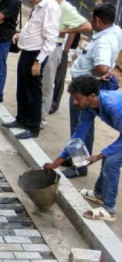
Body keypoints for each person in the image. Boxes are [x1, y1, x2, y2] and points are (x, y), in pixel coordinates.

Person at [44, 76, 122, 222]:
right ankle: (99, 194)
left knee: (111, 162)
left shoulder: (114, 107)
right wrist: (55, 164)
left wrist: (98, 156)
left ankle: (109, 210)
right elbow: (77, 137)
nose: (74, 102)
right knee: (109, 157)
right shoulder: (89, 108)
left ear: (92, 96)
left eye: (78, 98)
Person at [63, 3, 122, 178]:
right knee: (82, 125)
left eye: (92, 18)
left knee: (82, 127)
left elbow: (102, 68)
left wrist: (98, 73)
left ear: (97, 19)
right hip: (88, 84)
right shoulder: (115, 31)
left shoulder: (104, 41)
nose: (90, 21)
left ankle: (80, 165)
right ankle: (75, 158)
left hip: (86, 86)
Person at [2, 0, 60, 139]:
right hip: (27, 52)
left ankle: (33, 127)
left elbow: (50, 38)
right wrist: (20, 34)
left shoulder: (50, 7)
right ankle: (21, 119)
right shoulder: (39, 6)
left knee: (33, 92)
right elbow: (33, 25)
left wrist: (38, 61)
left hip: (36, 55)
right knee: (22, 88)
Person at [41, 0, 92, 127]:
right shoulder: (50, 6)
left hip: (59, 47)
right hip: (48, 47)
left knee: (54, 81)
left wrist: (65, 46)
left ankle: (51, 107)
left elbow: (83, 26)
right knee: (47, 80)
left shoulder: (67, 8)